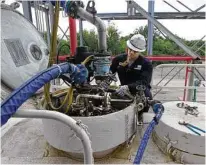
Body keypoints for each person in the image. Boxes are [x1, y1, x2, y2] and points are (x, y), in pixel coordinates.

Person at [110, 34, 153, 112]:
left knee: (146, 100)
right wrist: (106, 80)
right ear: (127, 48)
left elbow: (144, 82)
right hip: (123, 90)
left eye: (135, 51)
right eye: (130, 49)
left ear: (140, 51)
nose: (131, 53)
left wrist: (127, 87)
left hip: (140, 90)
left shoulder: (146, 64)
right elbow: (109, 73)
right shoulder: (118, 59)